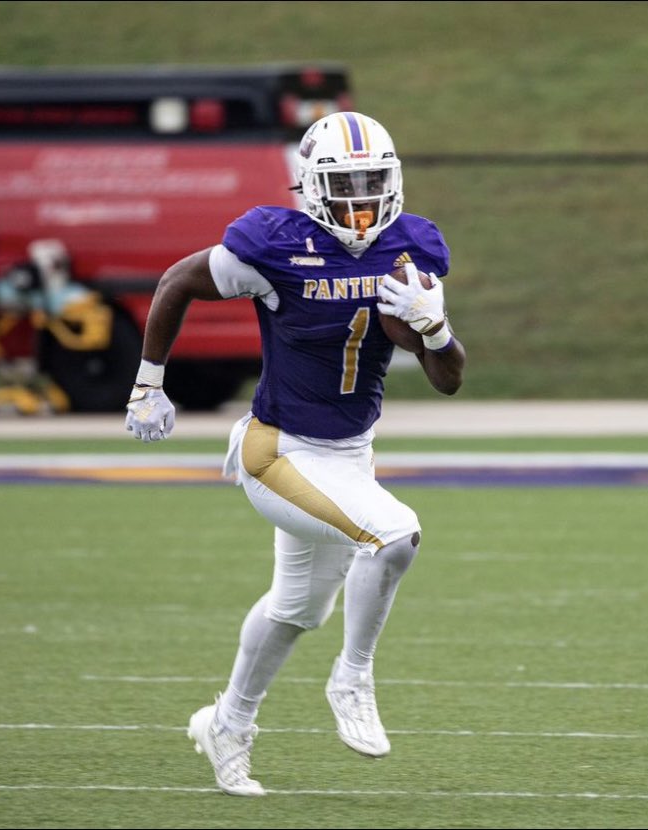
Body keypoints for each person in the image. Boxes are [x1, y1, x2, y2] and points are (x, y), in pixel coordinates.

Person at [125, 112, 466, 796]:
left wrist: (435, 329)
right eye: (347, 184)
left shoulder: (409, 248)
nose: (363, 199)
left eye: (374, 182)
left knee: (297, 609)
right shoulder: (275, 243)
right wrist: (148, 383)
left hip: (349, 455)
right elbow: (176, 282)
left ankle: (226, 723)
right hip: (276, 450)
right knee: (394, 535)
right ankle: (353, 677)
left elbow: (448, 379)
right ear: (311, 187)